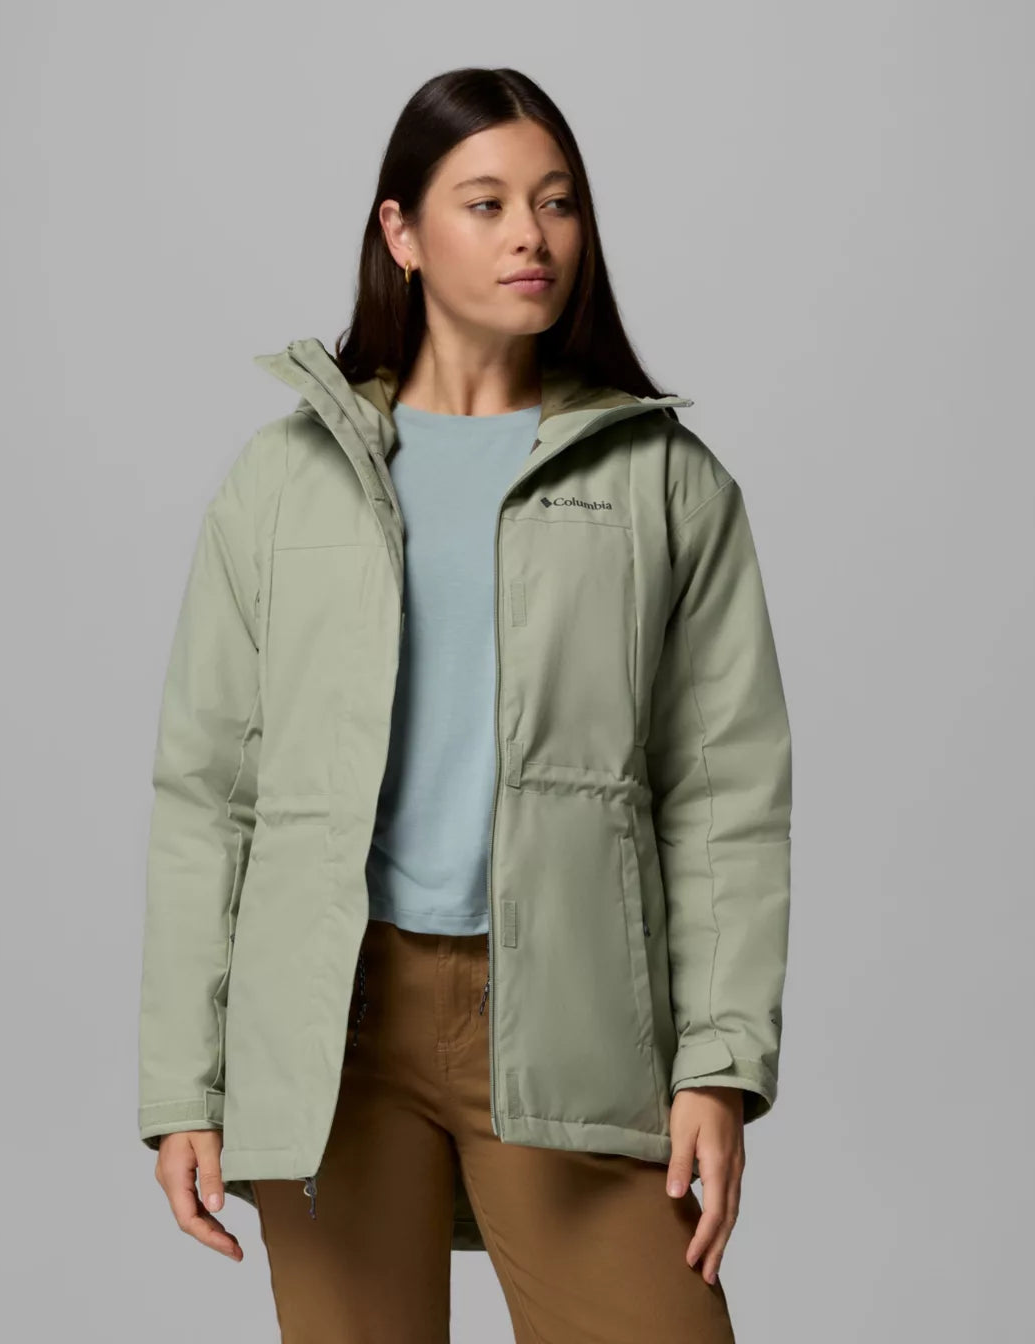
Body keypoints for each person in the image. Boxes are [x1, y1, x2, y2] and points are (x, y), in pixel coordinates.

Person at [137, 66, 792, 1344]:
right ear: (401, 232)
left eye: (555, 202)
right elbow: (205, 798)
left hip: (574, 1013)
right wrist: (183, 1086)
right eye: (484, 204)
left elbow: (723, 800)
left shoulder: (664, 482)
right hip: (332, 1033)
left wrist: (716, 1066)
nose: (528, 236)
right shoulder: (284, 482)